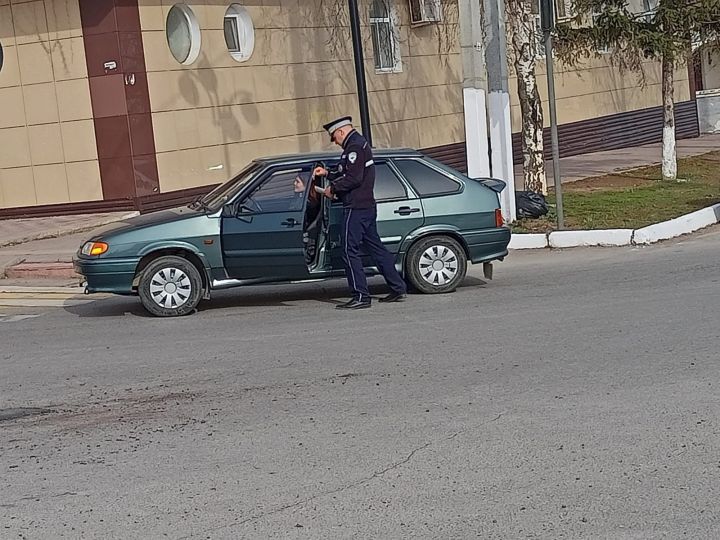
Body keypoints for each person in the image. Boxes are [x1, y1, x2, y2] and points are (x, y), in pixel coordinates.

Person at [314, 116, 407, 310]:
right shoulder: (357, 145)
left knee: (349, 250)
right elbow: (346, 172)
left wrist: (333, 188)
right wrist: (328, 174)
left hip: (355, 208)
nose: (335, 142)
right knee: (376, 249)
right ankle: (398, 287)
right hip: (366, 207)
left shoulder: (354, 147)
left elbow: (354, 178)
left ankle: (360, 296)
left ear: (340, 132)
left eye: (334, 138)